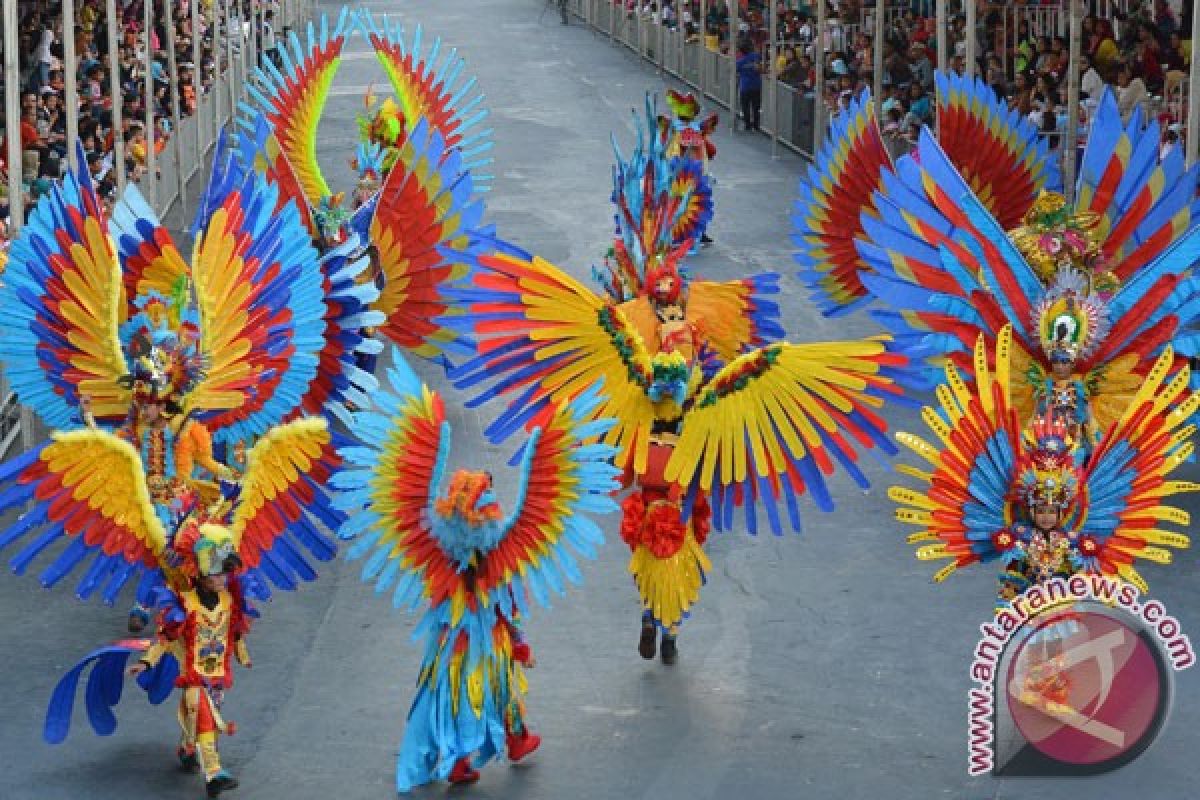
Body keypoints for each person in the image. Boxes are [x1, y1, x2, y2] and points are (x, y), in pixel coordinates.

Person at [129, 521, 251, 799]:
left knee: (203, 716)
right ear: (202, 574)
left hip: (217, 674)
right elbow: (167, 638)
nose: (223, 579)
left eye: (226, 574)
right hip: (193, 675)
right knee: (206, 718)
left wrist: (242, 652)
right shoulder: (185, 603)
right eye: (218, 574)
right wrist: (146, 662)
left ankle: (186, 747)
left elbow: (234, 630)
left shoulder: (229, 601)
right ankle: (214, 773)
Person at [735, 40, 763, 132]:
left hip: (745, 87)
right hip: (756, 86)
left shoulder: (739, 62)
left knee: (745, 106)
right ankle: (756, 125)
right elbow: (760, 66)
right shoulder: (755, 57)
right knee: (756, 107)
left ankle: (747, 124)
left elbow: (735, 71)